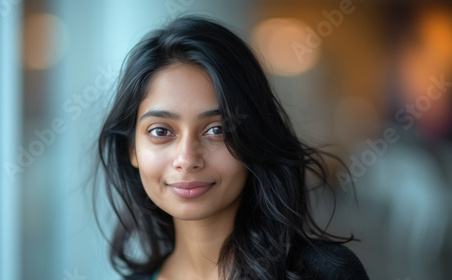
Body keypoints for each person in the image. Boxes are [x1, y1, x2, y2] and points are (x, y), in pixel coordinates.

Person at [98, 16, 369, 280]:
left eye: (218, 130)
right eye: (161, 131)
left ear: (255, 137)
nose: (187, 158)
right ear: (132, 149)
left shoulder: (325, 273)